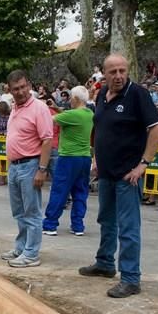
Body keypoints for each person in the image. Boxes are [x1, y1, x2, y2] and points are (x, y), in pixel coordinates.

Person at [79, 54, 158, 298]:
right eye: (113, 71)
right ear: (103, 74)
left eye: (122, 71)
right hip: (106, 172)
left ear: (128, 72)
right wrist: (96, 158)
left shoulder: (137, 94)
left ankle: (130, 278)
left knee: (128, 227)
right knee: (106, 220)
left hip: (128, 175)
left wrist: (144, 164)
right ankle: (105, 263)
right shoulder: (102, 95)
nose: (118, 76)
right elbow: (100, 128)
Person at [0, 69, 53, 268]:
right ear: (10, 91)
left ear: (29, 85)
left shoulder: (39, 108)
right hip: (15, 166)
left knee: (32, 212)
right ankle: (21, 247)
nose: (21, 91)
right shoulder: (15, 107)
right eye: (16, 89)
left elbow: (47, 140)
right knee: (19, 211)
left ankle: (31, 253)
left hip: (30, 165)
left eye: (23, 87)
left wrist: (42, 169)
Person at [42, 85, 93, 236]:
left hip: (69, 157)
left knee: (60, 190)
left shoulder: (71, 116)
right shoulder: (89, 113)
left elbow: (49, 120)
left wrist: (44, 108)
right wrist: (57, 108)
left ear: (76, 99)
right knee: (80, 191)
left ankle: (50, 224)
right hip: (84, 157)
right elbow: (68, 114)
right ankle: (78, 225)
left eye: (71, 98)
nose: (70, 100)